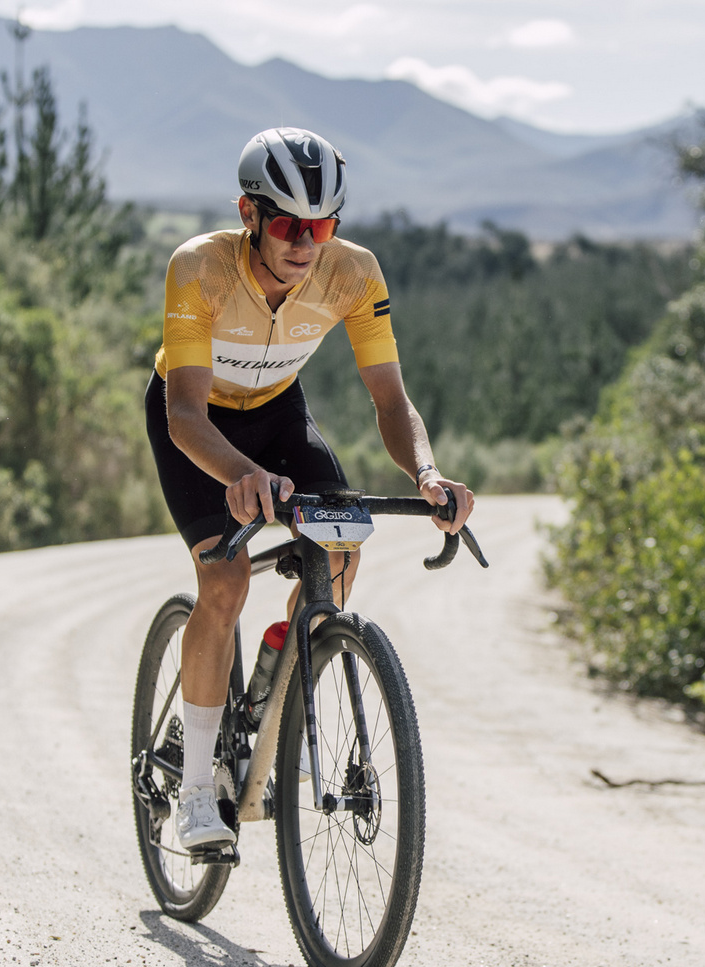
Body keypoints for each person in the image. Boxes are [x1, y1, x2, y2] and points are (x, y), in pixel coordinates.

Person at [145, 127, 474, 851]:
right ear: (249, 213)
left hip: (277, 413)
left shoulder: (354, 273)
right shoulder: (199, 268)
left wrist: (426, 473)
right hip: (198, 422)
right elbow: (184, 415)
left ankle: (277, 684)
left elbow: (391, 401)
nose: (305, 243)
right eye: (290, 225)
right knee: (225, 580)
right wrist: (242, 475)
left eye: (322, 227)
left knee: (342, 550)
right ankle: (196, 789)